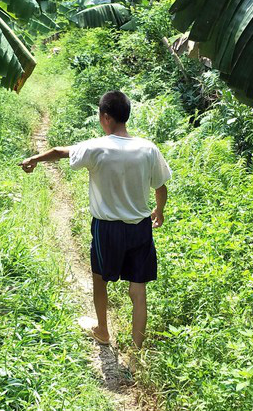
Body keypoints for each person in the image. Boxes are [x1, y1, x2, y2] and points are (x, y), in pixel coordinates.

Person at [20, 90, 171, 349]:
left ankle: (103, 330)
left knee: (100, 278)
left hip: (107, 228)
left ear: (105, 117)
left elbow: (59, 151)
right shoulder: (148, 148)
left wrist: (34, 159)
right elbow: (161, 187)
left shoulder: (96, 147)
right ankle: (137, 351)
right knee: (138, 289)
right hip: (141, 228)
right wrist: (159, 209)